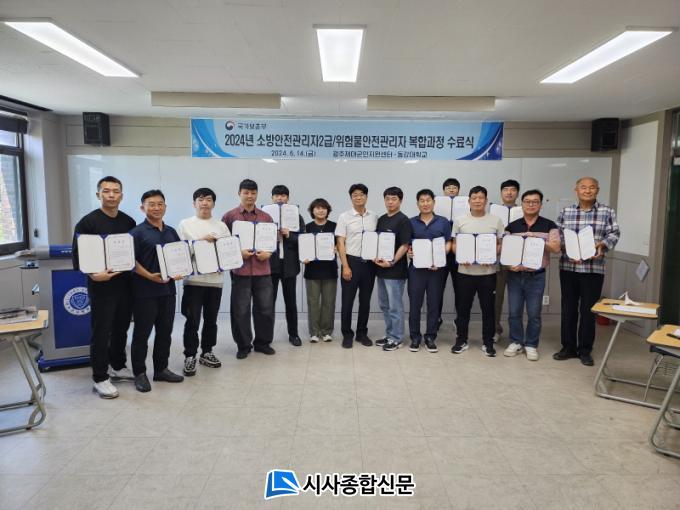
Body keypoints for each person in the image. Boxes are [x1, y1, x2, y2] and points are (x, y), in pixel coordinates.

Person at [71, 176, 136, 399]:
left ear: (121, 195)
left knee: (121, 327)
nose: (111, 195)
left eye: (115, 191)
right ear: (98, 194)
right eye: (106, 191)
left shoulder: (128, 222)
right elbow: (78, 255)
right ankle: (100, 377)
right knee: (101, 330)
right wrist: (93, 275)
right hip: (101, 286)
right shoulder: (87, 223)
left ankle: (118, 365)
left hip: (125, 284)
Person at [554, 177, 620, 366]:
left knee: (588, 311)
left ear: (597, 190)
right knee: (568, 309)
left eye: (591, 187)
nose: (587, 190)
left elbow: (614, 233)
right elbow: (557, 235)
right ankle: (568, 347)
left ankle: (584, 350)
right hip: (569, 267)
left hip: (593, 269)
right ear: (576, 190)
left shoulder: (607, 211)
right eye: (583, 187)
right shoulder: (566, 212)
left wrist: (602, 245)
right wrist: (567, 249)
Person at [129, 190, 185, 392]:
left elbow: (179, 256)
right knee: (141, 335)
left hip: (168, 291)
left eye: (160, 204)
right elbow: (130, 261)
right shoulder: (136, 233)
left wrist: (179, 271)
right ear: (142, 207)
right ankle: (140, 374)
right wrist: (149, 276)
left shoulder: (171, 231)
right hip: (144, 292)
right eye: (151, 204)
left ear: (165, 207)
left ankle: (161, 369)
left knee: (165, 332)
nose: (156, 208)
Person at [502, 189, 561, 361]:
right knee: (514, 312)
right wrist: (509, 265)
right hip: (515, 275)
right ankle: (516, 341)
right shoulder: (512, 226)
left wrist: (536, 239)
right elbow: (505, 250)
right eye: (527, 201)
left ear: (541, 205)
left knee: (534, 313)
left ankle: (531, 344)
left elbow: (556, 248)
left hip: (536, 276)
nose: (531, 204)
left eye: (535, 202)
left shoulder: (549, 225)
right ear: (522, 204)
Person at [177, 187, 230, 377]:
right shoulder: (185, 224)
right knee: (192, 320)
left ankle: (207, 351)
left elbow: (228, 251)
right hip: (194, 281)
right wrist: (201, 241)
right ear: (194, 203)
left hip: (215, 281)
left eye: (208, 199)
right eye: (200, 199)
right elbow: (180, 252)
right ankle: (190, 355)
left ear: (213, 203)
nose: (205, 203)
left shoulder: (221, 226)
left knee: (211, 320)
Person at [221, 179, 276, 359]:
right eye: (246, 192)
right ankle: (243, 345)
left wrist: (268, 253)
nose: (250, 196)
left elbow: (273, 242)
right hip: (240, 272)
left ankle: (263, 343)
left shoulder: (266, 217)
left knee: (265, 309)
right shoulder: (229, 217)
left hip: (263, 271)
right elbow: (223, 244)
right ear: (239, 193)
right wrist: (238, 252)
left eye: (253, 193)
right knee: (240, 310)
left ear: (257, 194)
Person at [451, 186, 504, 357]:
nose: (477, 201)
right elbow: (454, 244)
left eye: (481, 198)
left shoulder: (496, 220)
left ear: (486, 201)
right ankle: (461, 340)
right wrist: (460, 255)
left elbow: (500, 244)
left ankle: (488, 342)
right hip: (465, 272)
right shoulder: (460, 220)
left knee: (488, 310)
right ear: (469, 201)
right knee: (463, 309)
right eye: (474, 198)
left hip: (487, 274)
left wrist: (491, 255)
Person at [407, 189, 451, 353]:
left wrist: (440, 258)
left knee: (434, 304)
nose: (425, 203)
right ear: (417, 203)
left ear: (434, 202)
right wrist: (409, 252)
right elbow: (407, 244)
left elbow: (448, 242)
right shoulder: (411, 222)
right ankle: (415, 337)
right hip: (416, 269)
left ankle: (430, 337)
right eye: (422, 201)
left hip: (436, 270)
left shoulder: (443, 222)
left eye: (428, 200)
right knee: (415, 304)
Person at [335, 183, 378, 348]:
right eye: (355, 195)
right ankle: (347, 334)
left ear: (366, 197)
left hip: (369, 264)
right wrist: (345, 266)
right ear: (351, 198)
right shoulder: (344, 217)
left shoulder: (374, 216)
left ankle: (361, 333)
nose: (358, 197)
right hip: (351, 262)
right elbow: (340, 242)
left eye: (361, 194)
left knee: (365, 301)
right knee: (347, 301)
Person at [373, 187, 412, 351]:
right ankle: (390, 334)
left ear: (400, 201)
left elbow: (405, 245)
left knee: (395, 306)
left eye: (394, 199)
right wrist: (374, 256)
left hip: (395, 270)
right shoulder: (382, 219)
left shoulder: (403, 220)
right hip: (381, 269)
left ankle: (397, 338)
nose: (390, 202)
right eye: (387, 199)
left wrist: (392, 262)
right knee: (384, 304)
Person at [269, 185, 306, 346]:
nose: (280, 198)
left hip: (290, 266)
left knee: (291, 303)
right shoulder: (265, 216)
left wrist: (289, 234)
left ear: (288, 198)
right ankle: (266, 337)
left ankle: (294, 334)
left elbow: (303, 240)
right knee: (268, 303)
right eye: (277, 195)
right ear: (272, 198)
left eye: (283, 195)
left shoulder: (296, 216)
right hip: (270, 266)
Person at [303, 198, 338, 343]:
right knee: (313, 302)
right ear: (312, 211)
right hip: (312, 270)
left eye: (323, 208)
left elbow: (342, 245)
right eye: (317, 208)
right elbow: (302, 247)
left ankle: (327, 331)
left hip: (330, 270)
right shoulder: (307, 227)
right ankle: (314, 332)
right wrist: (303, 257)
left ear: (328, 210)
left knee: (329, 302)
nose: (321, 210)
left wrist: (337, 249)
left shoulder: (335, 226)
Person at [494, 179, 520, 341]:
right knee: (497, 298)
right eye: (505, 189)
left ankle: (516, 335)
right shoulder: (493, 212)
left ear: (517, 193)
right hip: (498, 260)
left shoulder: (524, 211)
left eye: (513, 189)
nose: (509, 192)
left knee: (517, 299)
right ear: (501, 192)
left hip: (518, 261)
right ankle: (495, 329)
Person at [436, 178, 461, 332]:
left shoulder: (466, 207)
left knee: (460, 288)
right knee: (438, 287)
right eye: (448, 187)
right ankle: (437, 318)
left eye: (454, 187)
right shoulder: (436, 207)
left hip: (458, 253)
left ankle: (459, 319)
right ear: (444, 190)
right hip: (442, 253)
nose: (451, 190)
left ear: (458, 190)